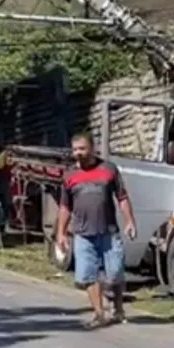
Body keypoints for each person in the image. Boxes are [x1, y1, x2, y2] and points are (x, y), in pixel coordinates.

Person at [56, 133, 136, 329]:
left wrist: (130, 221)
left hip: (108, 232)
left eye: (82, 149)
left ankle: (118, 308)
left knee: (115, 273)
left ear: (92, 148)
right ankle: (99, 314)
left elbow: (122, 197)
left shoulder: (109, 169)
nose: (78, 153)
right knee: (87, 275)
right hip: (83, 234)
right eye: (75, 150)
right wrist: (61, 233)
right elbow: (65, 207)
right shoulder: (69, 176)